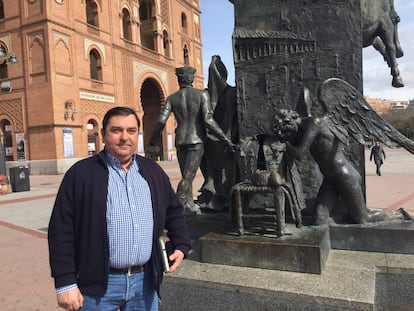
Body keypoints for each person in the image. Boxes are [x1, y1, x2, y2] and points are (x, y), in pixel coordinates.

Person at [48, 106, 191, 311]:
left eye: (131, 131)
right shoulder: (81, 174)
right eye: (117, 130)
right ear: (103, 134)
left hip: (145, 282)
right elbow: (61, 230)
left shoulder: (151, 171)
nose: (125, 137)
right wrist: (65, 282)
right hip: (98, 286)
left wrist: (181, 244)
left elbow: (174, 210)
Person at [148, 66, 234, 214]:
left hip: (180, 140)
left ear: (179, 79)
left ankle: (188, 205)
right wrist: (225, 138)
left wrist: (152, 141)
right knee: (188, 177)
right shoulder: (202, 95)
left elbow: (161, 121)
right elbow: (208, 120)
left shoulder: (172, 98)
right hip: (196, 141)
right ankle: (177, 205)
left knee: (186, 175)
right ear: (192, 79)